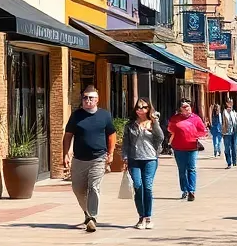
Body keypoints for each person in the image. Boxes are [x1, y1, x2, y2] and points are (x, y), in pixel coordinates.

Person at [63, 86, 116, 232]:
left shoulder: (104, 115)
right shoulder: (76, 116)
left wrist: (110, 153)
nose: (88, 100)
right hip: (79, 159)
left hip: (98, 158)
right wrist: (66, 153)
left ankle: (92, 216)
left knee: (93, 187)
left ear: (97, 100)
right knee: (78, 189)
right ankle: (87, 214)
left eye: (91, 98)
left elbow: (112, 135)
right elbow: (68, 135)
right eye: (85, 98)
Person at [123, 98, 165, 229]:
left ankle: (148, 217)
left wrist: (155, 123)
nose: (141, 109)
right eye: (139, 107)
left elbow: (161, 138)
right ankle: (141, 217)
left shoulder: (153, 123)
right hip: (134, 159)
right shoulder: (130, 125)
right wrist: (125, 156)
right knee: (138, 186)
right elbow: (126, 142)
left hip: (150, 158)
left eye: (144, 107)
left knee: (147, 187)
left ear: (149, 109)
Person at [166, 98, 207, 202]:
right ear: (180, 109)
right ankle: (184, 189)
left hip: (192, 147)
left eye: (188, 106)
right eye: (184, 107)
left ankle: (191, 191)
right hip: (178, 148)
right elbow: (170, 129)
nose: (186, 108)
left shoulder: (196, 118)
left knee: (192, 169)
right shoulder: (175, 119)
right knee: (182, 170)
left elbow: (203, 131)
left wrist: (195, 135)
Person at [221, 98, 237, 168]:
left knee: (234, 147)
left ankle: (234, 161)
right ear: (226, 103)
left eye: (231, 102)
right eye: (229, 102)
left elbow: (236, 122)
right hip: (226, 133)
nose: (230, 103)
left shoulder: (234, 112)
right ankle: (229, 162)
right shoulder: (224, 112)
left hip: (234, 132)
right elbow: (222, 122)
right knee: (227, 148)